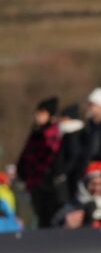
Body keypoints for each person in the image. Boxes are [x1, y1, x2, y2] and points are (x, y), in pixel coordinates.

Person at [17, 97, 63, 227]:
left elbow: (51, 156)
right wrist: (22, 170)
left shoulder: (52, 133)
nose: (38, 117)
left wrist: (46, 172)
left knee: (48, 217)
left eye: (42, 114)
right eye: (38, 113)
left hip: (46, 183)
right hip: (34, 181)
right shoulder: (36, 132)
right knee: (38, 216)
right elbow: (26, 154)